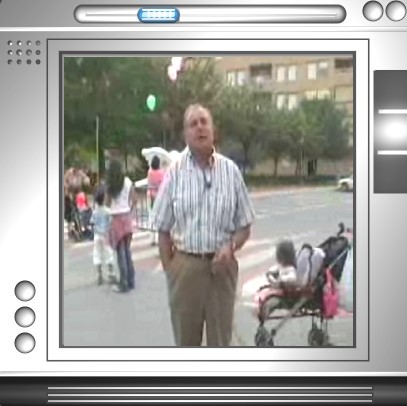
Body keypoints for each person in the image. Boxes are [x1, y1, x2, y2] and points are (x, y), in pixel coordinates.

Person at [150, 103, 256, 346]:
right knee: (186, 343)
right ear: (185, 134)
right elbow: (162, 228)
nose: (199, 127)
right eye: (193, 123)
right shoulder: (174, 172)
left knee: (220, 342)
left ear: (212, 129)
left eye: (204, 122)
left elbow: (245, 225)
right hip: (185, 270)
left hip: (222, 270)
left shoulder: (231, 171)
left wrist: (231, 246)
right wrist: (171, 271)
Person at [105, 159, 137, 293]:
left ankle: (123, 283)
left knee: (120, 252)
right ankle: (131, 280)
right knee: (127, 250)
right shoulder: (128, 182)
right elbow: (134, 200)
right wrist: (129, 209)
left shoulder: (110, 185)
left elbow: (107, 203)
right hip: (127, 217)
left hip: (116, 218)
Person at [90, 187, 116, 286]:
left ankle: (99, 275)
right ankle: (111, 273)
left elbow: (92, 223)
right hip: (106, 235)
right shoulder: (107, 211)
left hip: (97, 235)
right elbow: (111, 223)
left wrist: (95, 230)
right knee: (108, 253)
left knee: (97, 254)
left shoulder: (95, 212)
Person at [147, 155, 165, 245]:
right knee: (159, 217)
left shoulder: (149, 172)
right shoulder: (161, 173)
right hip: (159, 196)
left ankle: (152, 238)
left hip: (151, 196)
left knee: (152, 216)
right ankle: (158, 238)